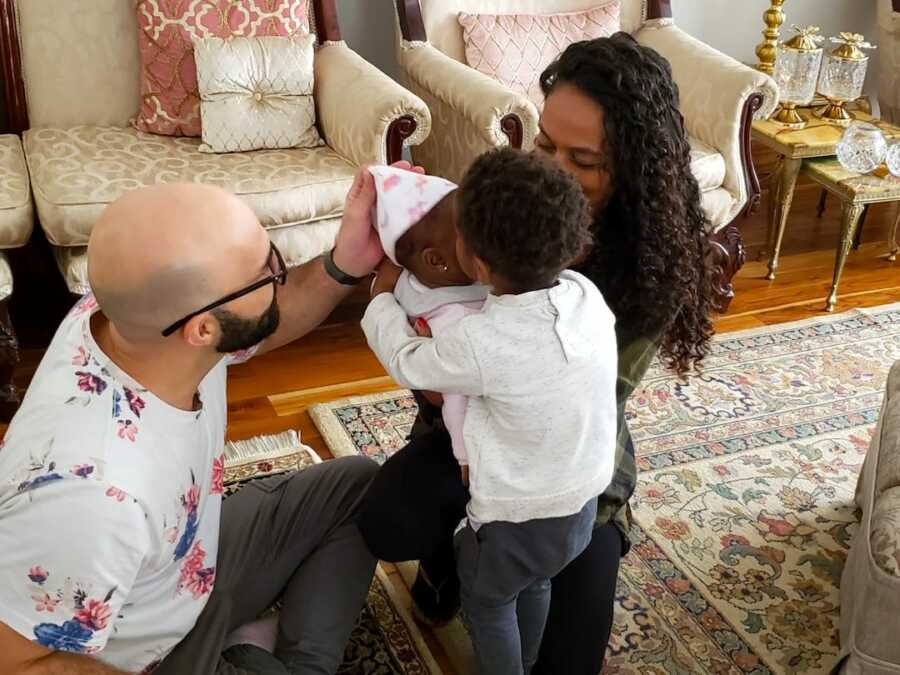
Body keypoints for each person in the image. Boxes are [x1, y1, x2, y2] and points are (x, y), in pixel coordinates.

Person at [359, 33, 716, 674]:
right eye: (545, 143)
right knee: (389, 523)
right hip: (472, 429)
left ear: (633, 169)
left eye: (583, 158)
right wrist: (406, 221)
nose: (552, 169)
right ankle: (448, 558)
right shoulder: (503, 204)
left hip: (572, 460)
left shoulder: (648, 264)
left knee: (566, 661)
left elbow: (601, 401)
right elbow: (427, 307)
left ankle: (487, 557)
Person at [0, 163, 413, 675]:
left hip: (185, 572)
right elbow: (18, 662)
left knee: (361, 485)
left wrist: (346, 263)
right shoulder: (93, 500)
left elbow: (263, 318)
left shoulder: (129, 316)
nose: (280, 275)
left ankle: (260, 651)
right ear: (202, 329)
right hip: (143, 656)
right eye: (268, 271)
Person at [368, 165, 489, 474]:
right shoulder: (455, 317)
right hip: (476, 440)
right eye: (471, 235)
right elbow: (453, 396)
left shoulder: (413, 279)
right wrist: (466, 456)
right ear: (436, 259)